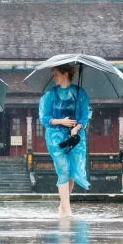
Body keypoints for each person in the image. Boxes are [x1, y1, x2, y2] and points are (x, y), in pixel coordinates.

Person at [39, 64, 90, 218]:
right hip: (55, 136)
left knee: (72, 171)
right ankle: (68, 211)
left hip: (74, 136)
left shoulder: (80, 94)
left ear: (65, 74)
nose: (54, 77)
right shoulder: (50, 95)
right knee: (63, 170)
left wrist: (76, 128)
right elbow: (44, 118)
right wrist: (61, 121)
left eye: (56, 74)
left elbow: (84, 116)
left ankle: (62, 206)